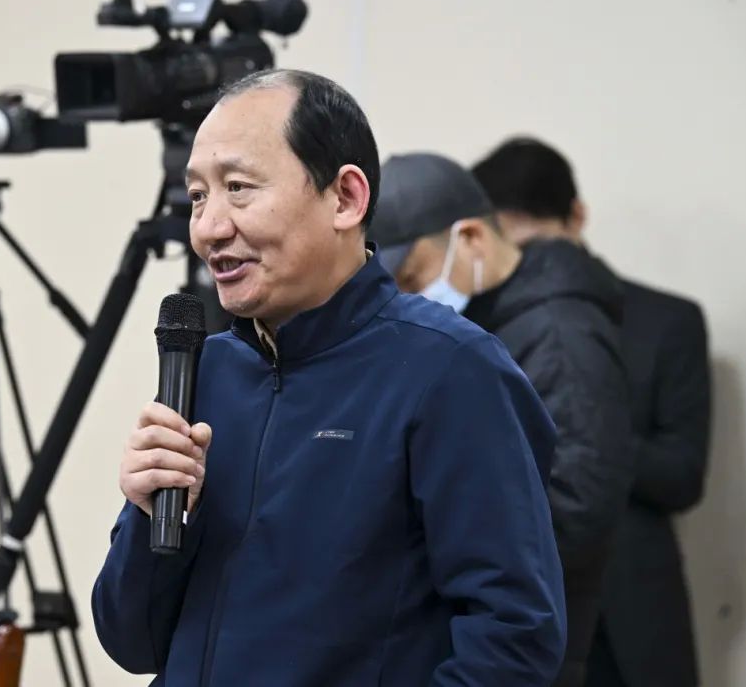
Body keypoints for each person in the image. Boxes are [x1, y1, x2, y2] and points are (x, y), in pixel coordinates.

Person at [92, 70, 568, 686]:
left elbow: (514, 638)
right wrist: (147, 514)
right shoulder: (208, 371)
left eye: (238, 188)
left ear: (345, 198)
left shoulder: (452, 369)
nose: (208, 228)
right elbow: (133, 643)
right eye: (198, 196)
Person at [370, 152, 635, 687]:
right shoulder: (494, 319)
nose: (409, 298)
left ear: (470, 237)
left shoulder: (558, 333)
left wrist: (431, 540)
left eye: (415, 276)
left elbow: (578, 507)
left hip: (521, 647)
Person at [472, 137, 712, 687]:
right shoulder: (482, 324)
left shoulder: (668, 321)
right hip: (530, 608)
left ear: (577, 216)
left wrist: (589, 432)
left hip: (634, 608)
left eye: (537, 242)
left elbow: (683, 475)